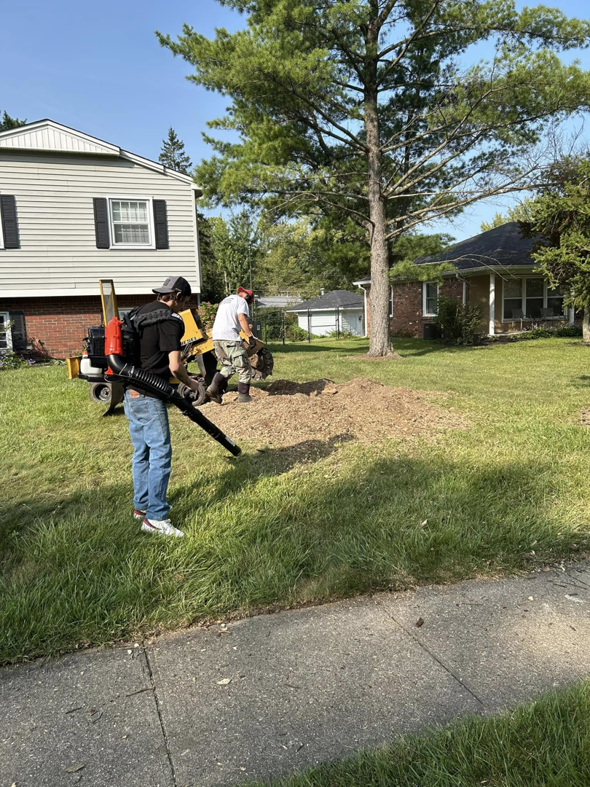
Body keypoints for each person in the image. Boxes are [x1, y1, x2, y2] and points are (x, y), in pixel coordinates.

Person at [124, 275, 201, 538]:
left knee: (142, 452)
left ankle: (141, 507)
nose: (184, 307)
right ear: (178, 296)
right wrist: (193, 384)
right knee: (160, 454)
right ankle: (156, 518)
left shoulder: (139, 312)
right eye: (185, 301)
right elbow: (175, 367)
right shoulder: (170, 320)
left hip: (131, 393)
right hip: (149, 394)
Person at [206, 286, 256, 404]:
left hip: (217, 338)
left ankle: (213, 388)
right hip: (230, 338)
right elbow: (241, 318)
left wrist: (243, 328)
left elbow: (231, 320)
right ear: (248, 298)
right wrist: (250, 336)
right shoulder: (241, 301)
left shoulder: (226, 300)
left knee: (229, 366)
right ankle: (244, 396)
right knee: (244, 367)